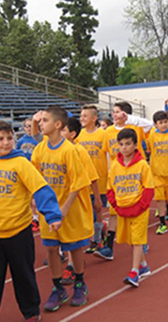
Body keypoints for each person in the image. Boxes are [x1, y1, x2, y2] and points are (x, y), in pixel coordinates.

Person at [0, 120, 61, 322]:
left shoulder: (21, 163)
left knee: (23, 275)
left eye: (9, 138)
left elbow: (40, 188)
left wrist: (52, 215)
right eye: (0, 139)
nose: (6, 143)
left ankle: (31, 311)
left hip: (18, 231)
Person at [31, 106, 94, 311]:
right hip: (48, 209)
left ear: (58, 125)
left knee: (73, 247)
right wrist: (35, 198)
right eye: (40, 121)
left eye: (45, 120)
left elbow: (78, 183)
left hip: (70, 208)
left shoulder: (70, 150)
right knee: (50, 248)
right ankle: (57, 287)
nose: (41, 124)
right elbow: (35, 177)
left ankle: (79, 283)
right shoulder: (40, 149)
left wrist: (64, 209)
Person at [96, 102, 152, 261]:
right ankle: (109, 248)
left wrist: (131, 119)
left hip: (135, 175)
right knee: (114, 214)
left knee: (138, 212)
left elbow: (150, 125)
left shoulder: (135, 128)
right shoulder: (108, 132)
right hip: (118, 177)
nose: (114, 115)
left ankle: (141, 242)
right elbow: (107, 154)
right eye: (113, 112)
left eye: (118, 112)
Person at [107, 129, 154, 287]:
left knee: (138, 239)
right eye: (121, 144)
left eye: (128, 144)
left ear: (135, 145)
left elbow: (148, 188)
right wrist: (116, 205)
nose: (124, 147)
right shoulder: (114, 166)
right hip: (123, 209)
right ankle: (144, 265)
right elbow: (110, 189)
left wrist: (141, 206)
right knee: (130, 240)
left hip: (139, 210)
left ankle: (134, 271)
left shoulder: (142, 165)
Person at [61, 117, 101, 285]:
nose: (59, 133)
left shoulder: (79, 151)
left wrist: (97, 198)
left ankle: (72, 266)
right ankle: (72, 261)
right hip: (61, 198)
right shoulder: (56, 150)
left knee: (74, 235)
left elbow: (92, 176)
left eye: (63, 130)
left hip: (77, 199)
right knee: (66, 234)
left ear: (72, 134)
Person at [76, 105, 108, 254]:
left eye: (85, 116)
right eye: (81, 116)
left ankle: (97, 240)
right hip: (84, 179)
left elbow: (108, 155)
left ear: (94, 118)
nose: (82, 118)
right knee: (87, 212)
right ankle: (96, 234)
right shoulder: (79, 136)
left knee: (98, 208)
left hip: (99, 178)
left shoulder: (103, 134)